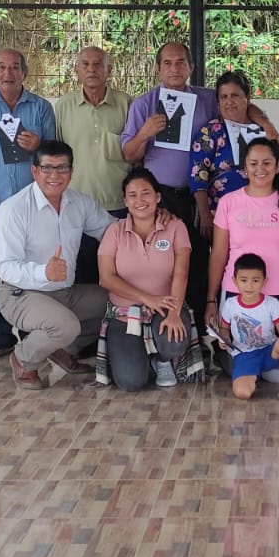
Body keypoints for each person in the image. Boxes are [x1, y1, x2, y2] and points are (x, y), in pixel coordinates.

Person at [0, 140, 113, 389]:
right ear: (34, 170)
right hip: (20, 294)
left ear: (72, 171)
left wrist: (152, 222)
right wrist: (43, 272)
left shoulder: (79, 202)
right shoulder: (13, 209)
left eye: (62, 168)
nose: (55, 175)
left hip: (65, 292)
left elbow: (111, 230)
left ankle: (59, 349)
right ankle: (23, 359)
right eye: (47, 168)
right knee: (66, 326)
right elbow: (5, 267)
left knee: (117, 303)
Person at [0, 48, 56, 358]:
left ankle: (34, 333)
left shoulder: (41, 108)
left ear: (24, 73)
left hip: (34, 209)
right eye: (1, 67)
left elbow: (54, 155)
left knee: (32, 271)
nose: (8, 73)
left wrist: (39, 145)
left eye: (14, 67)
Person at [122, 42, 220, 322]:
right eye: (167, 63)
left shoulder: (208, 99)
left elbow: (240, 107)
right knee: (163, 262)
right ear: (158, 69)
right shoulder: (144, 104)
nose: (174, 68)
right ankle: (161, 323)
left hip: (200, 195)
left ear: (191, 67)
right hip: (163, 197)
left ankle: (198, 329)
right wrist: (145, 133)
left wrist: (266, 123)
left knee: (198, 261)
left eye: (180, 62)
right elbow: (129, 155)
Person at [207, 138, 279, 377]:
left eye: (267, 163)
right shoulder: (229, 202)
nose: (260, 169)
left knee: (276, 375)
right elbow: (219, 254)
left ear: (277, 167)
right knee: (241, 369)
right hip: (238, 294)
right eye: (253, 163)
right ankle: (230, 360)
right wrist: (210, 300)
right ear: (245, 169)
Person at [95, 167, 202, 391]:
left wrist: (174, 313)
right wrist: (147, 298)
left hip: (166, 306)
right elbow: (106, 278)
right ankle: (141, 357)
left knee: (173, 341)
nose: (140, 200)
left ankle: (163, 361)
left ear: (158, 197)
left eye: (146, 193)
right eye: (132, 195)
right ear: (125, 201)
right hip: (125, 314)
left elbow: (181, 273)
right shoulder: (114, 231)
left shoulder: (175, 226)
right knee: (131, 382)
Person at [189, 69, 279, 235]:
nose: (229, 102)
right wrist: (204, 214)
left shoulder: (263, 129)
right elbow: (198, 174)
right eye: (224, 97)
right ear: (218, 102)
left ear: (247, 98)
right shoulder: (211, 131)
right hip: (221, 213)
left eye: (235, 95)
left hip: (263, 212)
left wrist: (266, 124)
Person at [54, 45, 133, 215]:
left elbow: (136, 155)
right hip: (75, 202)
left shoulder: (126, 104)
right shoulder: (64, 105)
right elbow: (58, 155)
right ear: (76, 70)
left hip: (118, 201)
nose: (91, 69)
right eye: (85, 64)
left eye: (98, 64)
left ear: (109, 69)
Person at [219, 253, 279, 401]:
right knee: (242, 393)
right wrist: (223, 338)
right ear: (234, 281)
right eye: (243, 280)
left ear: (264, 281)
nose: (249, 286)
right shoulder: (230, 305)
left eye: (255, 280)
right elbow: (224, 328)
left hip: (269, 352)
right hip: (244, 355)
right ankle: (254, 376)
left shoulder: (271, 303)